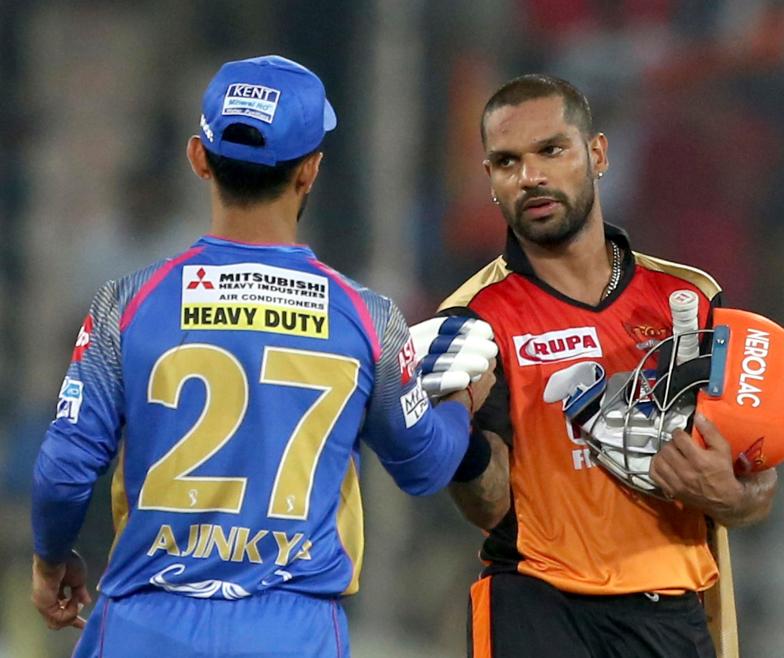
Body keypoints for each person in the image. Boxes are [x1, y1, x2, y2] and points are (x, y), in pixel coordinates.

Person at [30, 55, 495, 658]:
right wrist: (458, 401)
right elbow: (426, 466)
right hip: (292, 631)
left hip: (147, 625)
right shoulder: (369, 319)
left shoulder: (127, 302)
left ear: (198, 157)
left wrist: (49, 560)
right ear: (310, 171)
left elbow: (62, 472)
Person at [435, 74, 778, 658]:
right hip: (537, 604)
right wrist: (453, 436)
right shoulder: (474, 318)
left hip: (670, 611)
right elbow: (488, 506)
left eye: (551, 150)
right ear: (491, 179)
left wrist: (729, 495)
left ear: (596, 154)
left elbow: (758, 483)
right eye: (506, 162)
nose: (531, 177)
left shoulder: (692, 302)